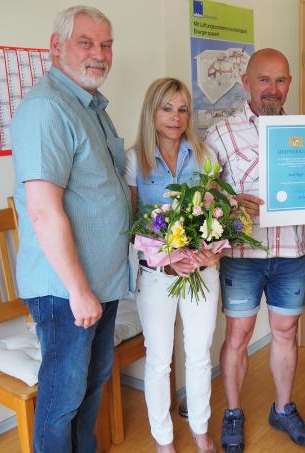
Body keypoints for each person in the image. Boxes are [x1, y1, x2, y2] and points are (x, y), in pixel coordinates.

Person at [204, 48, 305, 452]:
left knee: (285, 333)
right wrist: (230, 202)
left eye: (281, 80)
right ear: (246, 82)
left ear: (289, 84)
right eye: (263, 80)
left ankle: (283, 408)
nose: (273, 89)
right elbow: (206, 196)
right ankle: (233, 412)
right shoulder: (221, 134)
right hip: (242, 257)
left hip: (290, 253)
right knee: (238, 336)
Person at [10, 6, 128, 452]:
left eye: (106, 44)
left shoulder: (91, 105)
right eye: (86, 43)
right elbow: (43, 211)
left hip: (102, 281)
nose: (99, 54)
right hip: (66, 291)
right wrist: (79, 290)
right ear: (56, 46)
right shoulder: (46, 108)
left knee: (91, 385)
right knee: (62, 399)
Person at [125, 78, 221, 453]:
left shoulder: (205, 154)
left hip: (202, 272)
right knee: (159, 361)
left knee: (199, 355)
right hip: (156, 276)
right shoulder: (135, 159)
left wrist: (214, 251)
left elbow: (219, 214)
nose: (176, 117)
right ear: (152, 112)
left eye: (183, 109)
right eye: (167, 108)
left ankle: (199, 430)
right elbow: (132, 223)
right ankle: (164, 440)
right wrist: (167, 257)